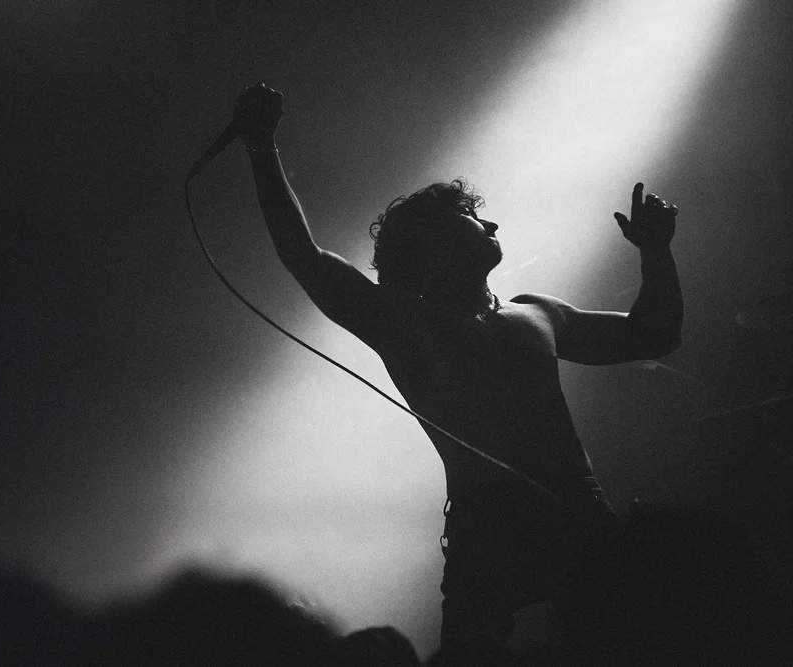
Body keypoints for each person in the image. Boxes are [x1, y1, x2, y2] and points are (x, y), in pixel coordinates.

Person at [233, 82, 683, 665]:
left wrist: (656, 251)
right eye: (472, 216)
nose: (491, 224)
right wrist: (262, 148)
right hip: (484, 526)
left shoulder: (535, 311)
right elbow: (305, 257)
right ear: (435, 240)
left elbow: (654, 335)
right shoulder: (402, 319)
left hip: (577, 509)